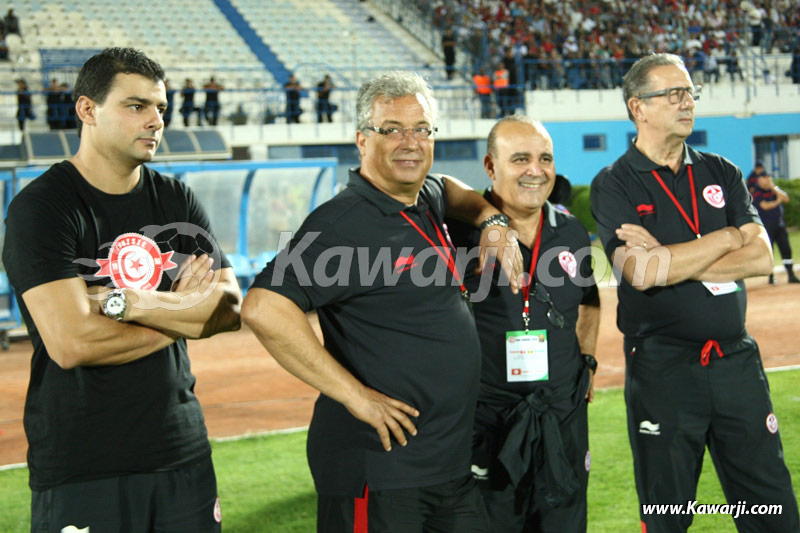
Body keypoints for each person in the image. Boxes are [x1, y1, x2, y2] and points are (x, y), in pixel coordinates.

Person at [241, 71, 523, 532]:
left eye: (421, 129)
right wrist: (357, 397)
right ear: (362, 140)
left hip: (447, 467)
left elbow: (451, 187)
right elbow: (262, 307)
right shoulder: (341, 224)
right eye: (392, 130)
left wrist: (491, 220)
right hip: (380, 470)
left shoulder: (423, 197)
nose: (410, 143)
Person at [2, 47, 242, 532]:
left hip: (182, 451)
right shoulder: (43, 208)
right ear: (87, 110)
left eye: (160, 107)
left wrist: (129, 302)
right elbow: (73, 343)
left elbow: (230, 307)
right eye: (136, 106)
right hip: (84, 464)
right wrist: (184, 314)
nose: (156, 120)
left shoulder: (175, 197)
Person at [590, 53, 799, 533]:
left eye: (690, 92)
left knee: (771, 506)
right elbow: (642, 272)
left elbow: (760, 258)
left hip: (736, 362)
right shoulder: (614, 183)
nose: (687, 102)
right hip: (663, 368)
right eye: (673, 93)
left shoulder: (721, 171)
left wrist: (672, 259)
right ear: (638, 107)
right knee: (667, 512)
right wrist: (727, 237)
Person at [447, 116, 600, 532]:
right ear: (490, 166)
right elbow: (433, 184)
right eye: (520, 159)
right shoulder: (456, 235)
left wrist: (587, 359)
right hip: (487, 421)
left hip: (562, 416)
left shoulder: (571, 231)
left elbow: (590, 300)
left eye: (545, 158)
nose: (536, 170)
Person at [751, 171, 800, 284]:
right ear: (759, 179)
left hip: (779, 225)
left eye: (768, 177)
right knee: (769, 251)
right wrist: (778, 200)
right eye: (765, 177)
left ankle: (791, 274)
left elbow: (786, 198)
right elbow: (765, 206)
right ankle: (771, 276)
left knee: (786, 249)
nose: (767, 179)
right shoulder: (757, 192)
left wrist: (774, 188)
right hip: (767, 226)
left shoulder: (773, 190)